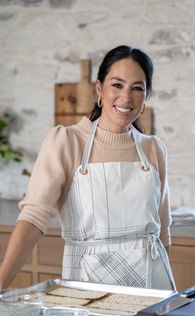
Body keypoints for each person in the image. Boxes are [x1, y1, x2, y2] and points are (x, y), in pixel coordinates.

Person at [0, 45, 176, 291]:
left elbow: (163, 232)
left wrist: (168, 299)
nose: (126, 97)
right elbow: (32, 218)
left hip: (152, 289)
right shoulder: (67, 141)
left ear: (145, 96)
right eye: (117, 85)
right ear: (99, 88)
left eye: (137, 88)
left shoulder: (153, 149)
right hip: (87, 288)